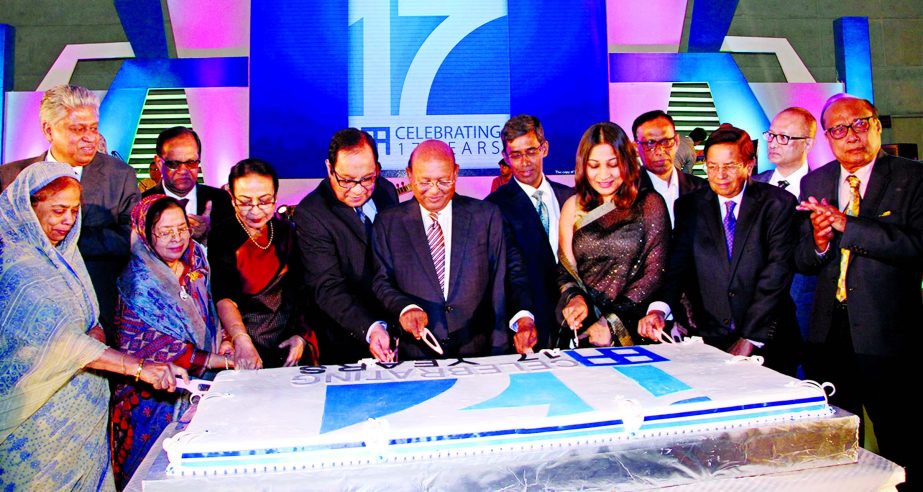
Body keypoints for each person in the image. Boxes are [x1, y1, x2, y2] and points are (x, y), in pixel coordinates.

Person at [0, 162, 185, 490]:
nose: (68, 221)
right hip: (38, 425)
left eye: (74, 210)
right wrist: (141, 367)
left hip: (84, 423)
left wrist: (91, 336)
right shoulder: (17, 268)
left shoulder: (65, 257)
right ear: (29, 208)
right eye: (57, 210)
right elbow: (63, 342)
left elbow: (91, 324)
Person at [795, 94, 921, 486]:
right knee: (838, 444)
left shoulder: (912, 177)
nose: (850, 135)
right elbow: (802, 260)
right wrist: (818, 242)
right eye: (838, 129)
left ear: (878, 125)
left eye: (860, 124)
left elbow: (916, 247)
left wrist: (848, 227)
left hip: (889, 337)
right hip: (828, 334)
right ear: (827, 138)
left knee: (902, 442)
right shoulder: (814, 181)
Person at [638, 124, 801, 376]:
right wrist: (659, 309)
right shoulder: (690, 207)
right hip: (710, 341)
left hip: (768, 340)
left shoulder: (777, 204)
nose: (720, 175)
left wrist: (749, 337)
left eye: (729, 166)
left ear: (749, 164)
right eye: (712, 166)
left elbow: (776, 275)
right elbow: (678, 267)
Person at [372, 140, 535, 359]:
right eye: (425, 182)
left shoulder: (486, 216)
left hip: (481, 352)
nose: (434, 190)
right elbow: (381, 281)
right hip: (417, 354)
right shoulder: (388, 223)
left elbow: (511, 273)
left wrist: (523, 317)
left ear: (456, 172)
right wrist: (404, 308)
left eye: (443, 181)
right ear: (409, 175)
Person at [0, 84, 139, 342]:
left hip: (97, 319)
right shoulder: (11, 178)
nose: (91, 138)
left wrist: (60, 239)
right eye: (78, 129)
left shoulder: (119, 176)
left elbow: (130, 239)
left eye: (94, 128)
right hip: (25, 323)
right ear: (48, 130)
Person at [110, 194, 230, 489]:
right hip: (155, 397)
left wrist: (224, 340)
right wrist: (220, 361)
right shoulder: (138, 281)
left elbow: (211, 309)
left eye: (182, 228)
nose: (176, 238)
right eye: (165, 232)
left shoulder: (197, 258)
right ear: (145, 233)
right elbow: (153, 346)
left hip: (205, 388)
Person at [558, 122, 669, 348]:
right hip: (585, 330)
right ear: (583, 166)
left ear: (626, 163)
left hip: (634, 329)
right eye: (594, 166)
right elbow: (565, 270)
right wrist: (575, 299)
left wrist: (610, 323)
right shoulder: (573, 206)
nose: (604, 175)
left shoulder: (649, 204)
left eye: (612, 164)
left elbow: (654, 272)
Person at [295, 129, 400, 363]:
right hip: (347, 339)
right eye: (347, 180)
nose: (358, 189)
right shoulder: (312, 213)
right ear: (329, 169)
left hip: (396, 331)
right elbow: (328, 287)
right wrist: (371, 328)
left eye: (367, 178)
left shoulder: (386, 191)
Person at [210, 158, 318, 369]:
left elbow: (302, 290)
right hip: (243, 342)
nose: (256, 210)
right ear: (232, 198)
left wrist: (302, 336)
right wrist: (241, 340)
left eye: (265, 200)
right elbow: (224, 296)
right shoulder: (222, 235)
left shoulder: (286, 231)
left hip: (287, 343)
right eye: (245, 201)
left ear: (276, 197)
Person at [486, 115, 573, 349]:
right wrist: (524, 318)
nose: (525, 162)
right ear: (505, 157)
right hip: (529, 325)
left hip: (577, 321)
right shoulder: (493, 208)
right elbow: (506, 274)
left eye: (531, 151)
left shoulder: (571, 198)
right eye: (515, 155)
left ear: (544, 148)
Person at [753, 107, 818, 340]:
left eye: (784, 138)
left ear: (808, 144)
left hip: (802, 303)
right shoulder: (753, 186)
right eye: (770, 135)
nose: (773, 143)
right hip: (754, 305)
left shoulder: (823, 189)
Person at [143, 126, 234, 245]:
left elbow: (233, 252)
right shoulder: (142, 205)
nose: (183, 170)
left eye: (191, 162)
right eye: (174, 163)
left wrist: (208, 235)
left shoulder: (221, 200)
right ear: (159, 163)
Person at [633, 110, 707, 227]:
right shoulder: (626, 191)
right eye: (650, 143)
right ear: (637, 147)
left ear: (676, 141)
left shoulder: (701, 189)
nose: (659, 151)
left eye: (666, 142)